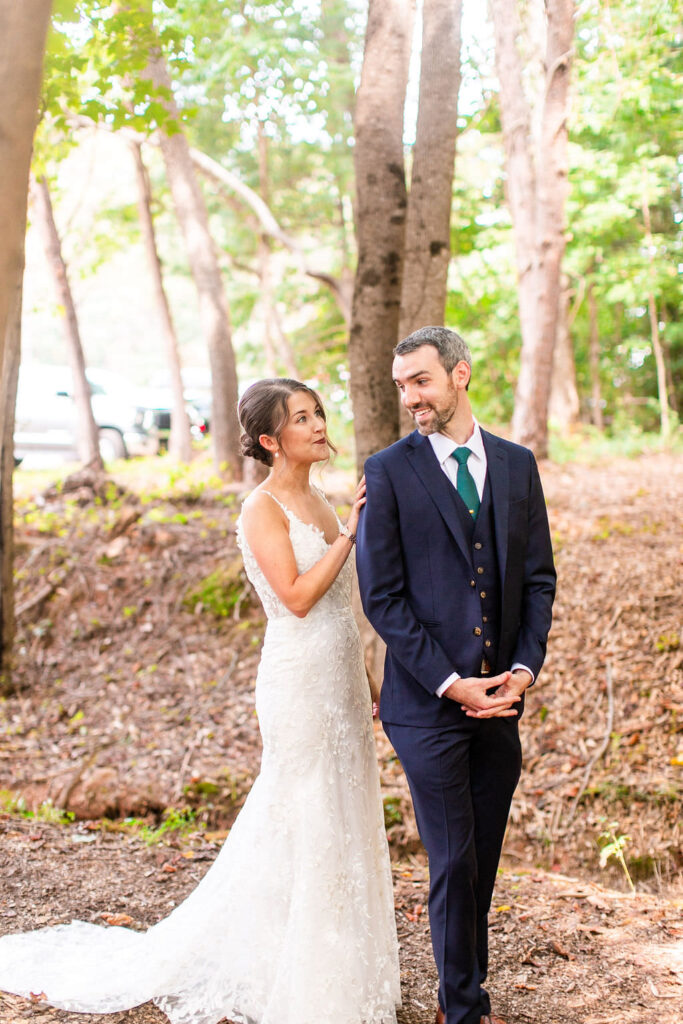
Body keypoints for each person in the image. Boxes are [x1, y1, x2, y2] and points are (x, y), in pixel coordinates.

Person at [0, 378, 401, 1024]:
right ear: (271, 440)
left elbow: (337, 607)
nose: (319, 424)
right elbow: (296, 598)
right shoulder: (261, 509)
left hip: (341, 683)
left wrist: (369, 679)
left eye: (318, 412)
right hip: (296, 683)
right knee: (304, 813)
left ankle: (336, 968)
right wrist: (353, 533)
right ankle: (296, 980)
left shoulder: (323, 501)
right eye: (302, 418)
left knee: (342, 812)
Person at [356, 327, 556, 1024]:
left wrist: (521, 670)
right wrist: (450, 682)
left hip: (501, 699)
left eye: (420, 381)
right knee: (451, 856)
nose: (409, 396)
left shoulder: (515, 464)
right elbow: (381, 597)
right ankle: (462, 1007)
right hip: (426, 702)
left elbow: (536, 580)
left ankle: (465, 989)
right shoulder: (386, 471)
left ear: (459, 375)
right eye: (400, 385)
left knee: (483, 857)